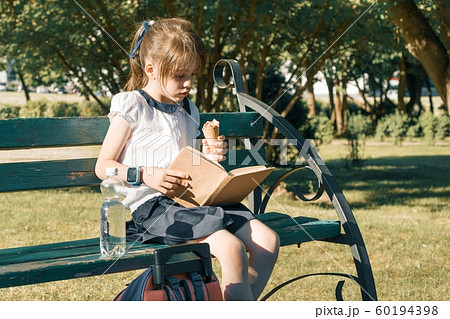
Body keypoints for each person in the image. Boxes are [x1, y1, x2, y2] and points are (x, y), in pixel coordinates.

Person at [95, 17, 279, 301]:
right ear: (151, 69)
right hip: (154, 207)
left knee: (268, 241)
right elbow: (103, 166)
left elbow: (187, 162)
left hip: (194, 201)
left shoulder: (187, 110)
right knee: (231, 249)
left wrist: (208, 157)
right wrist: (144, 174)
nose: (188, 83)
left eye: (193, 75)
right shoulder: (134, 105)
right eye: (180, 75)